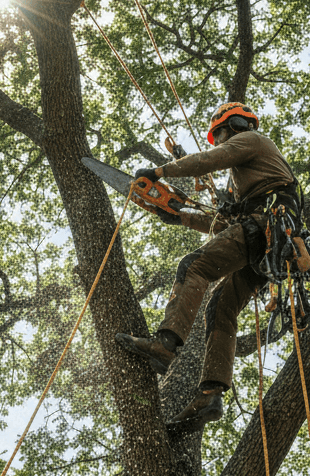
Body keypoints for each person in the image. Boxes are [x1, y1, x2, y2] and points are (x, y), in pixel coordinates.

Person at [116, 101, 299, 430]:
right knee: (221, 307)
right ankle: (209, 395)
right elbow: (222, 225)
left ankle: (166, 344)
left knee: (194, 266)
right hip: (266, 245)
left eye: (222, 133)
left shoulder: (253, 141)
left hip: (264, 229)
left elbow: (207, 161)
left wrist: (160, 171)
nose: (223, 140)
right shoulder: (245, 181)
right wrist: (176, 216)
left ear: (235, 125)